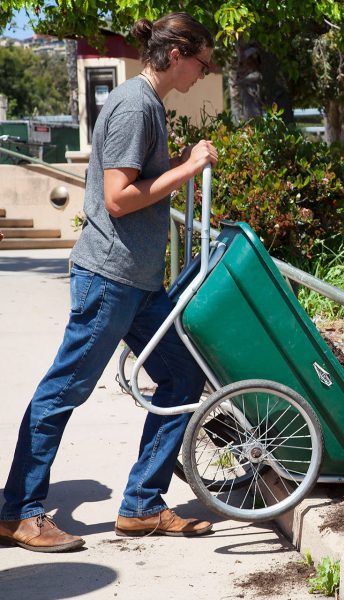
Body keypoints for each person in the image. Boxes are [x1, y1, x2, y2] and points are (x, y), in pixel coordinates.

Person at [0, 12, 218, 553]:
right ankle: (17, 512)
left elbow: (133, 183)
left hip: (137, 281)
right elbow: (119, 198)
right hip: (111, 276)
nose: (205, 71)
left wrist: (175, 166)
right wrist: (187, 167)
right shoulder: (135, 105)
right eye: (202, 61)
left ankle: (142, 505)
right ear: (175, 55)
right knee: (63, 390)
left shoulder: (147, 105)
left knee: (182, 378)